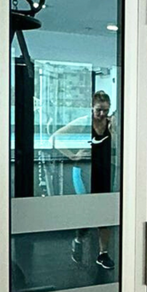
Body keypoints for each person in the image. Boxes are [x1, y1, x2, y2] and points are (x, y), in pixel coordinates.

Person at [51, 90, 116, 270]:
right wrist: (73, 155)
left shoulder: (111, 124)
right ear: (92, 108)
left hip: (104, 171)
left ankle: (103, 253)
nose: (102, 114)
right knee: (88, 211)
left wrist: (113, 130)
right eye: (98, 110)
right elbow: (55, 138)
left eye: (105, 110)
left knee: (105, 212)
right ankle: (78, 240)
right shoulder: (84, 123)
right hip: (83, 171)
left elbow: (118, 146)